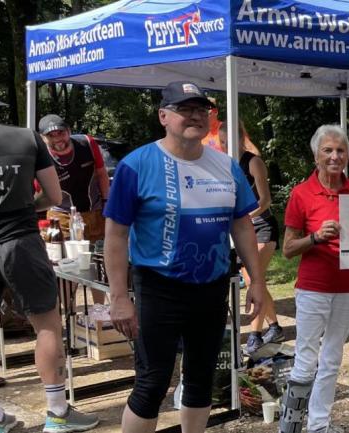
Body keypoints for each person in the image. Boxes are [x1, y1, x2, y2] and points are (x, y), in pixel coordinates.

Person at [103, 81, 266, 433]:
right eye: (184, 109)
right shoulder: (136, 165)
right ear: (163, 116)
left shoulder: (227, 166)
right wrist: (118, 297)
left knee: (201, 378)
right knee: (152, 383)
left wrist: (257, 280)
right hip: (159, 286)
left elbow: (242, 225)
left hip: (211, 286)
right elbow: (115, 235)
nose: (194, 116)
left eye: (201, 109)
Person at [0, 78, 99, 433]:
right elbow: (54, 196)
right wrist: (23, 205)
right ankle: (57, 413)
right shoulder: (27, 138)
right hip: (19, 239)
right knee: (47, 324)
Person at [278, 124, 349, 433]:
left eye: (340, 150)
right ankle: (290, 427)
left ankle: (318, 425)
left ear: (348, 155)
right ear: (316, 156)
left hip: (347, 289)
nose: (335, 156)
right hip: (313, 288)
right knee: (306, 359)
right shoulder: (301, 193)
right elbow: (287, 249)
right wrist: (316, 237)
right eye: (328, 150)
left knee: (332, 358)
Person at [218, 122, 284, 354]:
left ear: (240, 139)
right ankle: (274, 326)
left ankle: (255, 335)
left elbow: (265, 200)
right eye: (221, 142)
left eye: (228, 141)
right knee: (254, 279)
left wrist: (242, 218)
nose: (224, 146)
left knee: (254, 277)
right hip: (241, 230)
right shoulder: (224, 164)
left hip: (263, 226)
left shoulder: (253, 161)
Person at [38, 113, 109, 305]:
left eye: (61, 133)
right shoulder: (40, 154)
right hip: (59, 216)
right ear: (43, 138)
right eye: (51, 136)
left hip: (94, 212)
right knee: (64, 266)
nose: (57, 139)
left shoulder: (87, 143)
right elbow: (38, 191)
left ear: (69, 131)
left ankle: (99, 311)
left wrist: (107, 203)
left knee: (96, 263)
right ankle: (67, 311)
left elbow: (102, 174)